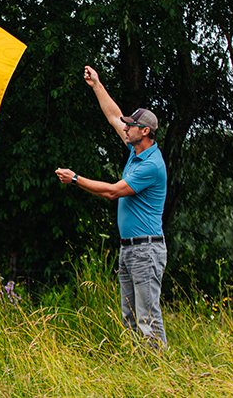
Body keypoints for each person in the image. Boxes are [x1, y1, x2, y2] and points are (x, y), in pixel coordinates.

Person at [55, 66, 168, 348]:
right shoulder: (136, 150)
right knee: (129, 317)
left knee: (147, 318)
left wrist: (76, 179)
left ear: (145, 131)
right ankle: (138, 369)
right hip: (130, 247)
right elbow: (112, 115)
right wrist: (97, 85)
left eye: (131, 125)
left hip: (146, 249)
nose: (125, 127)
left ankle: (161, 373)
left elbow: (113, 192)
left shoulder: (151, 166)